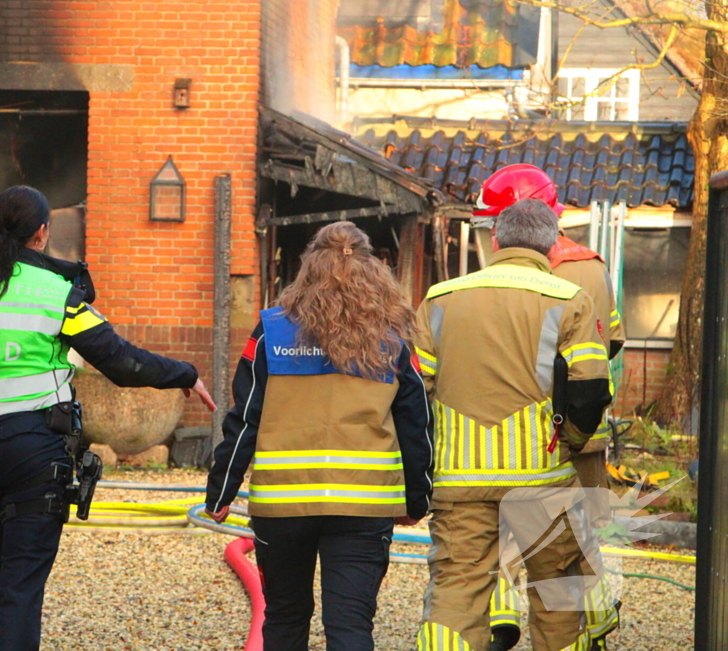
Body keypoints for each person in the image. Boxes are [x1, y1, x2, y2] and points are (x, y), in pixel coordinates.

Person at [0, 186, 215, 651]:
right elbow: (120, 361)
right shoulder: (57, 293)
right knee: (19, 588)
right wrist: (184, 373)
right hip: (33, 451)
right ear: (41, 233)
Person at [204, 221, 433, 651]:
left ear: (308, 266)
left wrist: (221, 493)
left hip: (283, 505)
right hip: (364, 506)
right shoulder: (394, 337)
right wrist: (417, 499)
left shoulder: (270, 332)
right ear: (373, 268)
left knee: (286, 618)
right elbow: (416, 424)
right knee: (349, 626)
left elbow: (244, 418)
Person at [414, 199, 612, 651]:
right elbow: (590, 389)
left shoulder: (440, 298)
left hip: (460, 481)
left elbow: (414, 391)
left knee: (455, 592)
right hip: (543, 480)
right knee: (558, 593)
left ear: (495, 240)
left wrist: (430, 456)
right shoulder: (569, 300)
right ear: (552, 243)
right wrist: (572, 440)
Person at [472, 164, 624, 650]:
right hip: (585, 428)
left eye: (491, 224)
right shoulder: (593, 265)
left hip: (529, 433)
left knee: (508, 533)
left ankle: (504, 625)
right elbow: (611, 342)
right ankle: (595, 619)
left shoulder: (526, 273)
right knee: (576, 531)